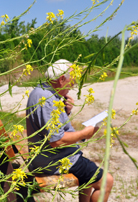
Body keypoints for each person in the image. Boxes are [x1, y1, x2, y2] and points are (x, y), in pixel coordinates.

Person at [26, 59, 113, 202]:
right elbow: (57, 140)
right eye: (71, 81)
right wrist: (84, 134)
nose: (73, 85)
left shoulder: (41, 91)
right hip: (53, 161)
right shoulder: (46, 100)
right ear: (61, 79)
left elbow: (50, 127)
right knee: (107, 181)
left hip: (46, 157)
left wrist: (65, 112)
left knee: (88, 176)